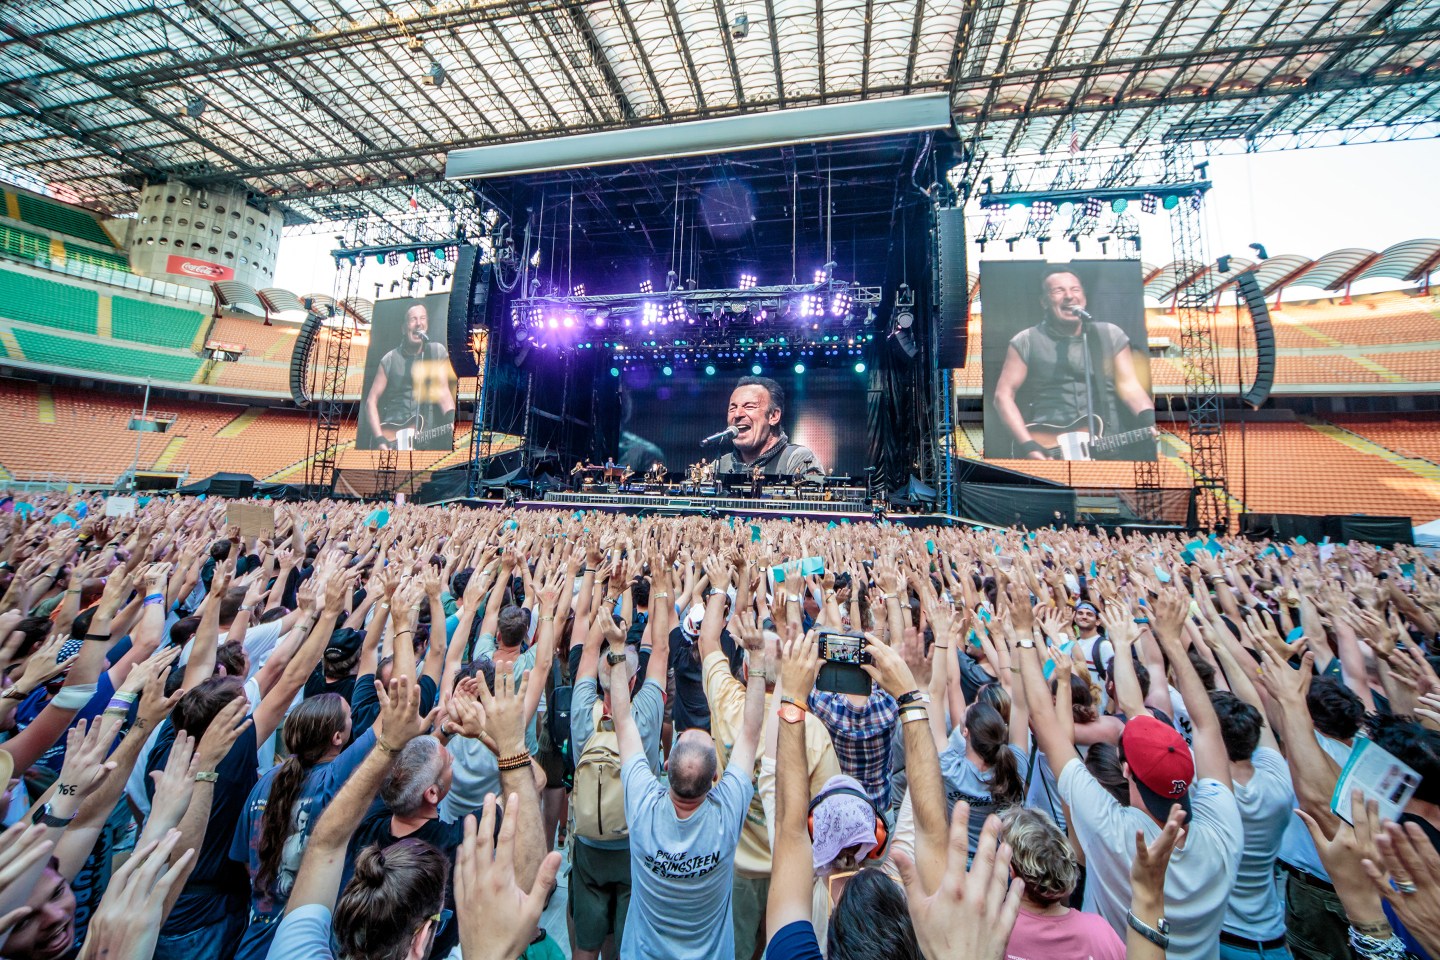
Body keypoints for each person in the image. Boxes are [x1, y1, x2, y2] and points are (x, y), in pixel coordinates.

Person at [609, 576, 764, 960]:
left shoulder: (642, 806)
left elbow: (623, 722)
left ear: (663, 766)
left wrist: (616, 651)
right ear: (716, 780)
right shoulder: (727, 815)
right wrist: (758, 665)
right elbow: (750, 732)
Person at [992, 267, 1156, 460]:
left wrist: (1149, 420)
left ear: (1084, 298)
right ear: (1044, 302)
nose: (1069, 296)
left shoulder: (1110, 335)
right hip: (1051, 449)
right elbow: (1002, 396)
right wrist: (1028, 445)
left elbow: (1129, 387)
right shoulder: (1025, 340)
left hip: (1106, 447)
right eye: (1058, 291)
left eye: (1075, 289)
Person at [363, 302, 457, 451]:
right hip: (391, 440)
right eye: (413, 319)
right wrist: (380, 439)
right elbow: (371, 401)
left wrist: (451, 420)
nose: (418, 323)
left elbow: (442, 392)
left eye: (422, 318)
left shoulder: (436, 352)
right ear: (403, 328)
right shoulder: (390, 359)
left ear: (427, 325)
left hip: (422, 439)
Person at [713, 377, 823, 478]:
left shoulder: (798, 459)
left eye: (749, 406)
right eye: (732, 408)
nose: (737, 414)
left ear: (774, 416)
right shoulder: (720, 465)